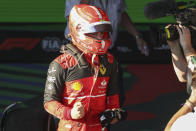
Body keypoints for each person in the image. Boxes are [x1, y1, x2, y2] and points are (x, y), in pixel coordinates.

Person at [43, 4, 125, 131]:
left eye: (103, 33)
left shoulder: (110, 61)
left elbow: (113, 100)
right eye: (95, 33)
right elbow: (49, 103)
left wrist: (115, 114)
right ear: (79, 30)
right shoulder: (60, 64)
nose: (100, 37)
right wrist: (70, 113)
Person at [64, 0, 149, 106]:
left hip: (106, 50)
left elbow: (121, 14)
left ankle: (104, 120)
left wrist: (137, 36)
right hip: (81, 50)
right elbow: (73, 17)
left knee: (116, 97)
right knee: (80, 96)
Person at [164, 25, 196, 131]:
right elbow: (185, 76)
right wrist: (175, 46)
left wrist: (186, 47)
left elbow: (169, 128)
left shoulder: (187, 123)